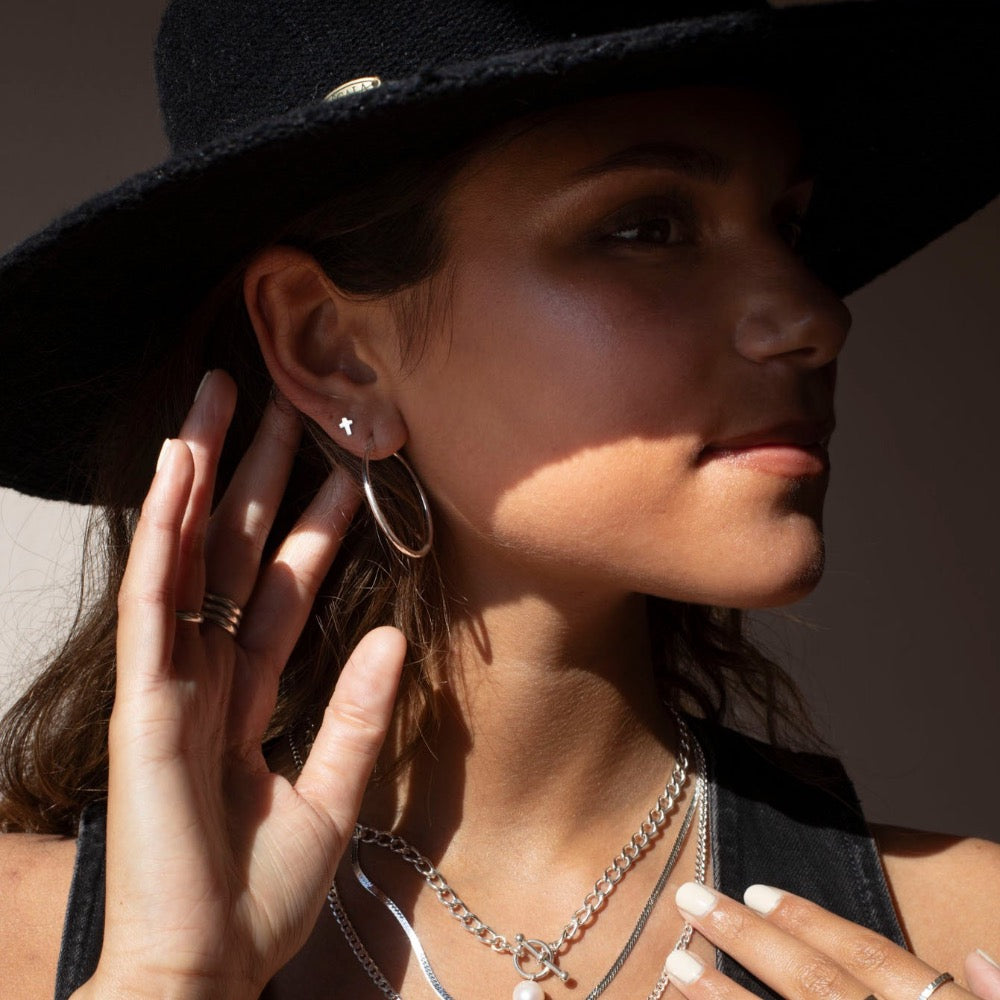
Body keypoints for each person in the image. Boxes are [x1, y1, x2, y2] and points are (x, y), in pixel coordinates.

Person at [0, 1, 997, 999]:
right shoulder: (19, 939)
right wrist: (162, 979)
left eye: (787, 226)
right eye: (648, 227)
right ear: (332, 350)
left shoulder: (969, 932)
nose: (814, 316)